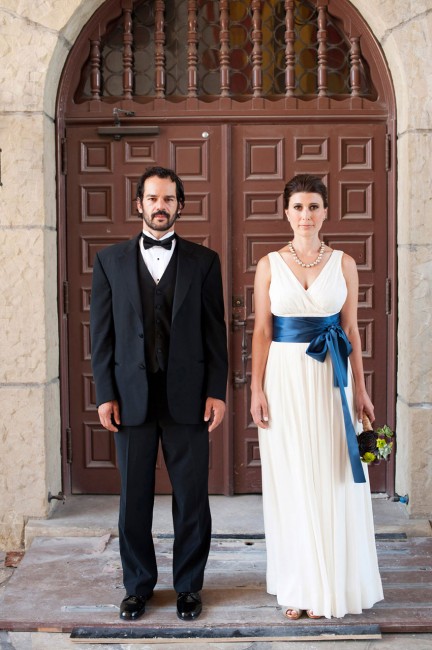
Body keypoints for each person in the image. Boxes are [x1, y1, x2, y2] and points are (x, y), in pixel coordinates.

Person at [90, 166, 228, 622]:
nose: (160, 206)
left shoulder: (204, 261)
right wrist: (105, 393)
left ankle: (188, 586)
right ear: (139, 204)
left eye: (168, 199)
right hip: (130, 397)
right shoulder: (109, 261)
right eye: (152, 198)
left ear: (180, 206)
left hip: (188, 397)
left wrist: (216, 391)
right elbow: (101, 336)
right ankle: (138, 587)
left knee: (192, 499)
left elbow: (215, 333)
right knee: (134, 499)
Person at [250, 174, 383, 620]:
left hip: (332, 378)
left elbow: (351, 330)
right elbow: (262, 331)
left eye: (313, 206)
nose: (305, 215)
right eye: (298, 207)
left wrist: (361, 389)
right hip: (284, 379)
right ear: (286, 212)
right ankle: (299, 585)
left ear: (326, 212)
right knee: (291, 478)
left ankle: (335, 584)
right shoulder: (268, 264)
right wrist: (256, 388)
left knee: (332, 475)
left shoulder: (344, 263)